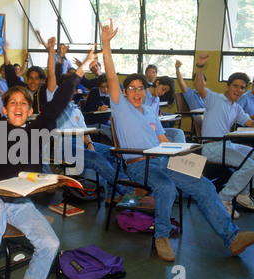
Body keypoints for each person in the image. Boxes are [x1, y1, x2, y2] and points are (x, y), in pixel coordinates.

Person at [0, 22, 92, 279]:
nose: (18, 107)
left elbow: (58, 103)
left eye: (23, 104)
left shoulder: (36, 133)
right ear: (5, 110)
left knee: (51, 243)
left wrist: (79, 72)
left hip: (21, 204)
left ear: (30, 110)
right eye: (12, 103)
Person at [102, 18, 254, 262]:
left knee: (204, 185)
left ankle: (232, 238)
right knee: (166, 187)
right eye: (132, 88)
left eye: (141, 88)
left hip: (163, 159)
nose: (137, 92)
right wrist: (106, 45)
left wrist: (184, 151)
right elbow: (110, 76)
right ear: (125, 91)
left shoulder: (150, 111)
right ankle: (161, 236)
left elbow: (162, 138)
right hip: (139, 164)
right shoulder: (120, 107)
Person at [194, 53, 254, 218]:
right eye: (236, 86)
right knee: (249, 165)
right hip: (211, 146)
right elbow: (199, 88)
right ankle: (224, 198)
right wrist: (200, 66)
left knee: (253, 155)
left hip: (227, 144)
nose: (239, 90)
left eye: (242, 87)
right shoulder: (215, 99)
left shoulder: (236, 107)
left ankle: (243, 194)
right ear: (227, 87)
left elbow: (249, 123)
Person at [4, 37, 57, 115]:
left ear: (42, 81)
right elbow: (10, 74)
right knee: (2, 125)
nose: (32, 82)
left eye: (36, 78)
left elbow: (51, 72)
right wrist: (5, 52)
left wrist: (51, 50)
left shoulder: (45, 91)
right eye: (30, 78)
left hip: (41, 125)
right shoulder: (22, 89)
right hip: (23, 124)